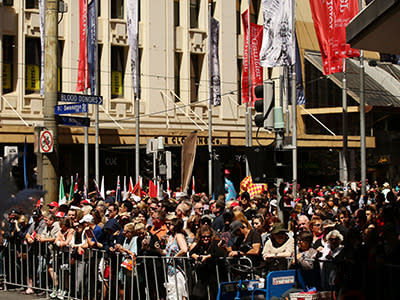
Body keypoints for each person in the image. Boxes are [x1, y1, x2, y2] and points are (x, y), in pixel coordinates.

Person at [190, 225, 226, 300]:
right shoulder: (200, 245)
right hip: (204, 273)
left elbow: (220, 253)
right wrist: (196, 256)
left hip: (215, 274)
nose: (206, 238)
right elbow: (191, 252)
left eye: (208, 236)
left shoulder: (215, 242)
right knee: (197, 294)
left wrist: (207, 257)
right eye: (203, 237)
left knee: (215, 294)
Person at [163, 218, 188, 300]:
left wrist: (175, 257)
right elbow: (166, 252)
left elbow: (184, 249)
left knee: (180, 293)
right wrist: (157, 249)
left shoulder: (179, 236)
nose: (169, 226)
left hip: (178, 270)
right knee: (173, 294)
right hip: (170, 270)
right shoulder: (170, 237)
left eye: (171, 224)